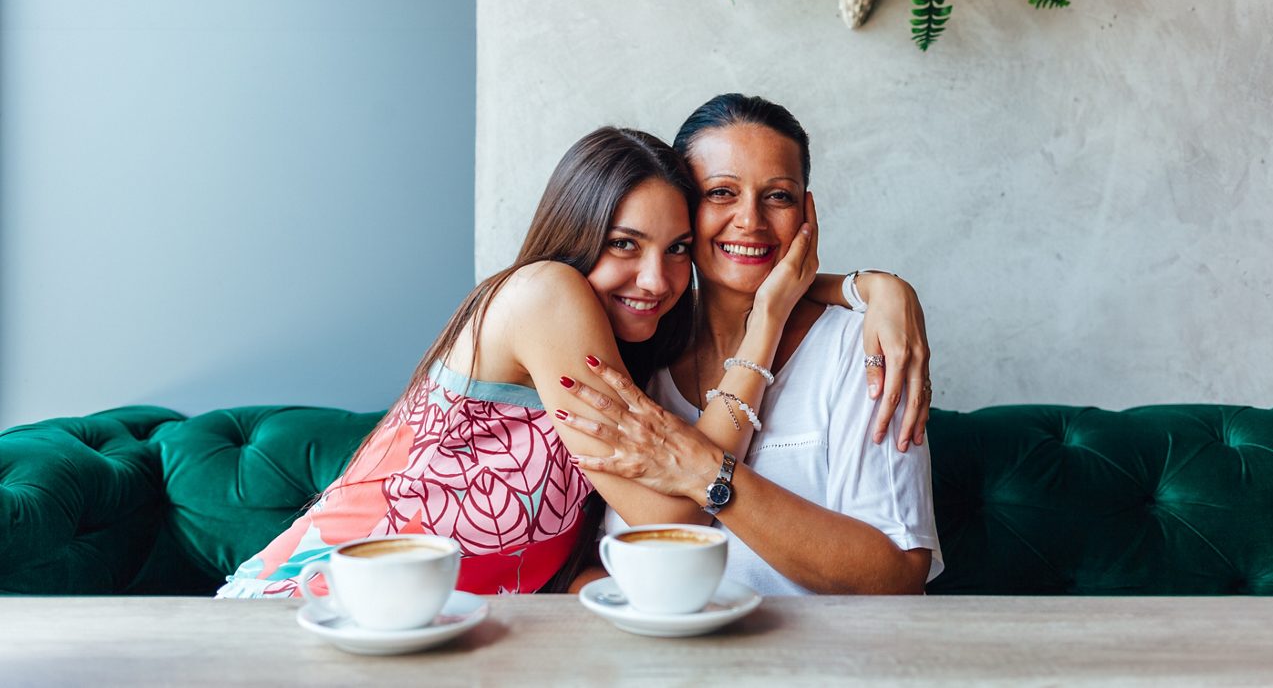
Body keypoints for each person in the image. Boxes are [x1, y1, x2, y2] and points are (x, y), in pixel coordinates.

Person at [218, 124, 931, 598]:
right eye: (624, 244)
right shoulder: (547, 295)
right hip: (311, 608)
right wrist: (770, 320)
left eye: (676, 249)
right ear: (577, 230)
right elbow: (676, 508)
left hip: (423, 635)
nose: (655, 278)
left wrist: (861, 285)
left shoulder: (634, 351)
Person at [558, 95, 943, 594]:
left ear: (807, 211)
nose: (750, 220)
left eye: (778, 196)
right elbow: (579, 554)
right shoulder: (632, 339)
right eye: (721, 192)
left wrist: (706, 474)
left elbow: (896, 576)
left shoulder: (860, 347)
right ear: (680, 208)